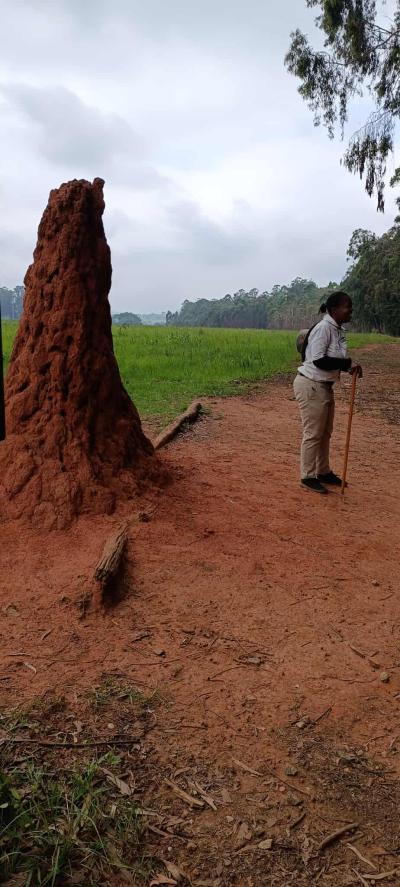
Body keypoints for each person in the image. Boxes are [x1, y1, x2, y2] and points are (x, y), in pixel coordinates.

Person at [293, 291, 362, 494]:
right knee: (314, 433)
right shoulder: (324, 328)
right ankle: (307, 476)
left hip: (323, 386)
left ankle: (323, 471)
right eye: (347, 306)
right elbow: (318, 360)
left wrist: (348, 367)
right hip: (311, 385)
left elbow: (332, 359)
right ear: (333, 310)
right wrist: (346, 363)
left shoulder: (338, 329)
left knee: (325, 433)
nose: (350, 310)